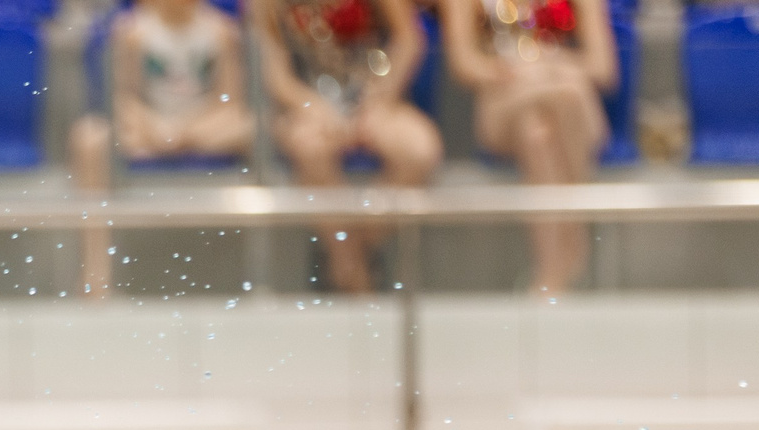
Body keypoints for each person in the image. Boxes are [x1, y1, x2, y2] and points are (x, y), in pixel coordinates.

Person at [252, 0, 442, 292]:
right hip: (307, 104)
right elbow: (276, 75)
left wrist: (377, 99)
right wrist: (314, 107)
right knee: (309, 146)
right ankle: (357, 282)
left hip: (373, 96)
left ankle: (347, 255)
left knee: (419, 149)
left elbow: (409, 40)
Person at [71, 0, 254, 298]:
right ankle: (96, 274)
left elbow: (230, 103)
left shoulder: (222, 30)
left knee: (252, 126)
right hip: (148, 130)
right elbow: (122, 99)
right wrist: (157, 128)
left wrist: (187, 132)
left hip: (204, 131)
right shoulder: (131, 31)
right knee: (89, 137)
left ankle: (257, 274)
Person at [443, 0, 614, 296]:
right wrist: (515, 71)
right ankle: (575, 242)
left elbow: (603, 68)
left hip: (563, 103)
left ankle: (549, 274)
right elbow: (464, 64)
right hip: (504, 99)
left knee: (537, 132)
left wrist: (548, 63)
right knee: (566, 94)